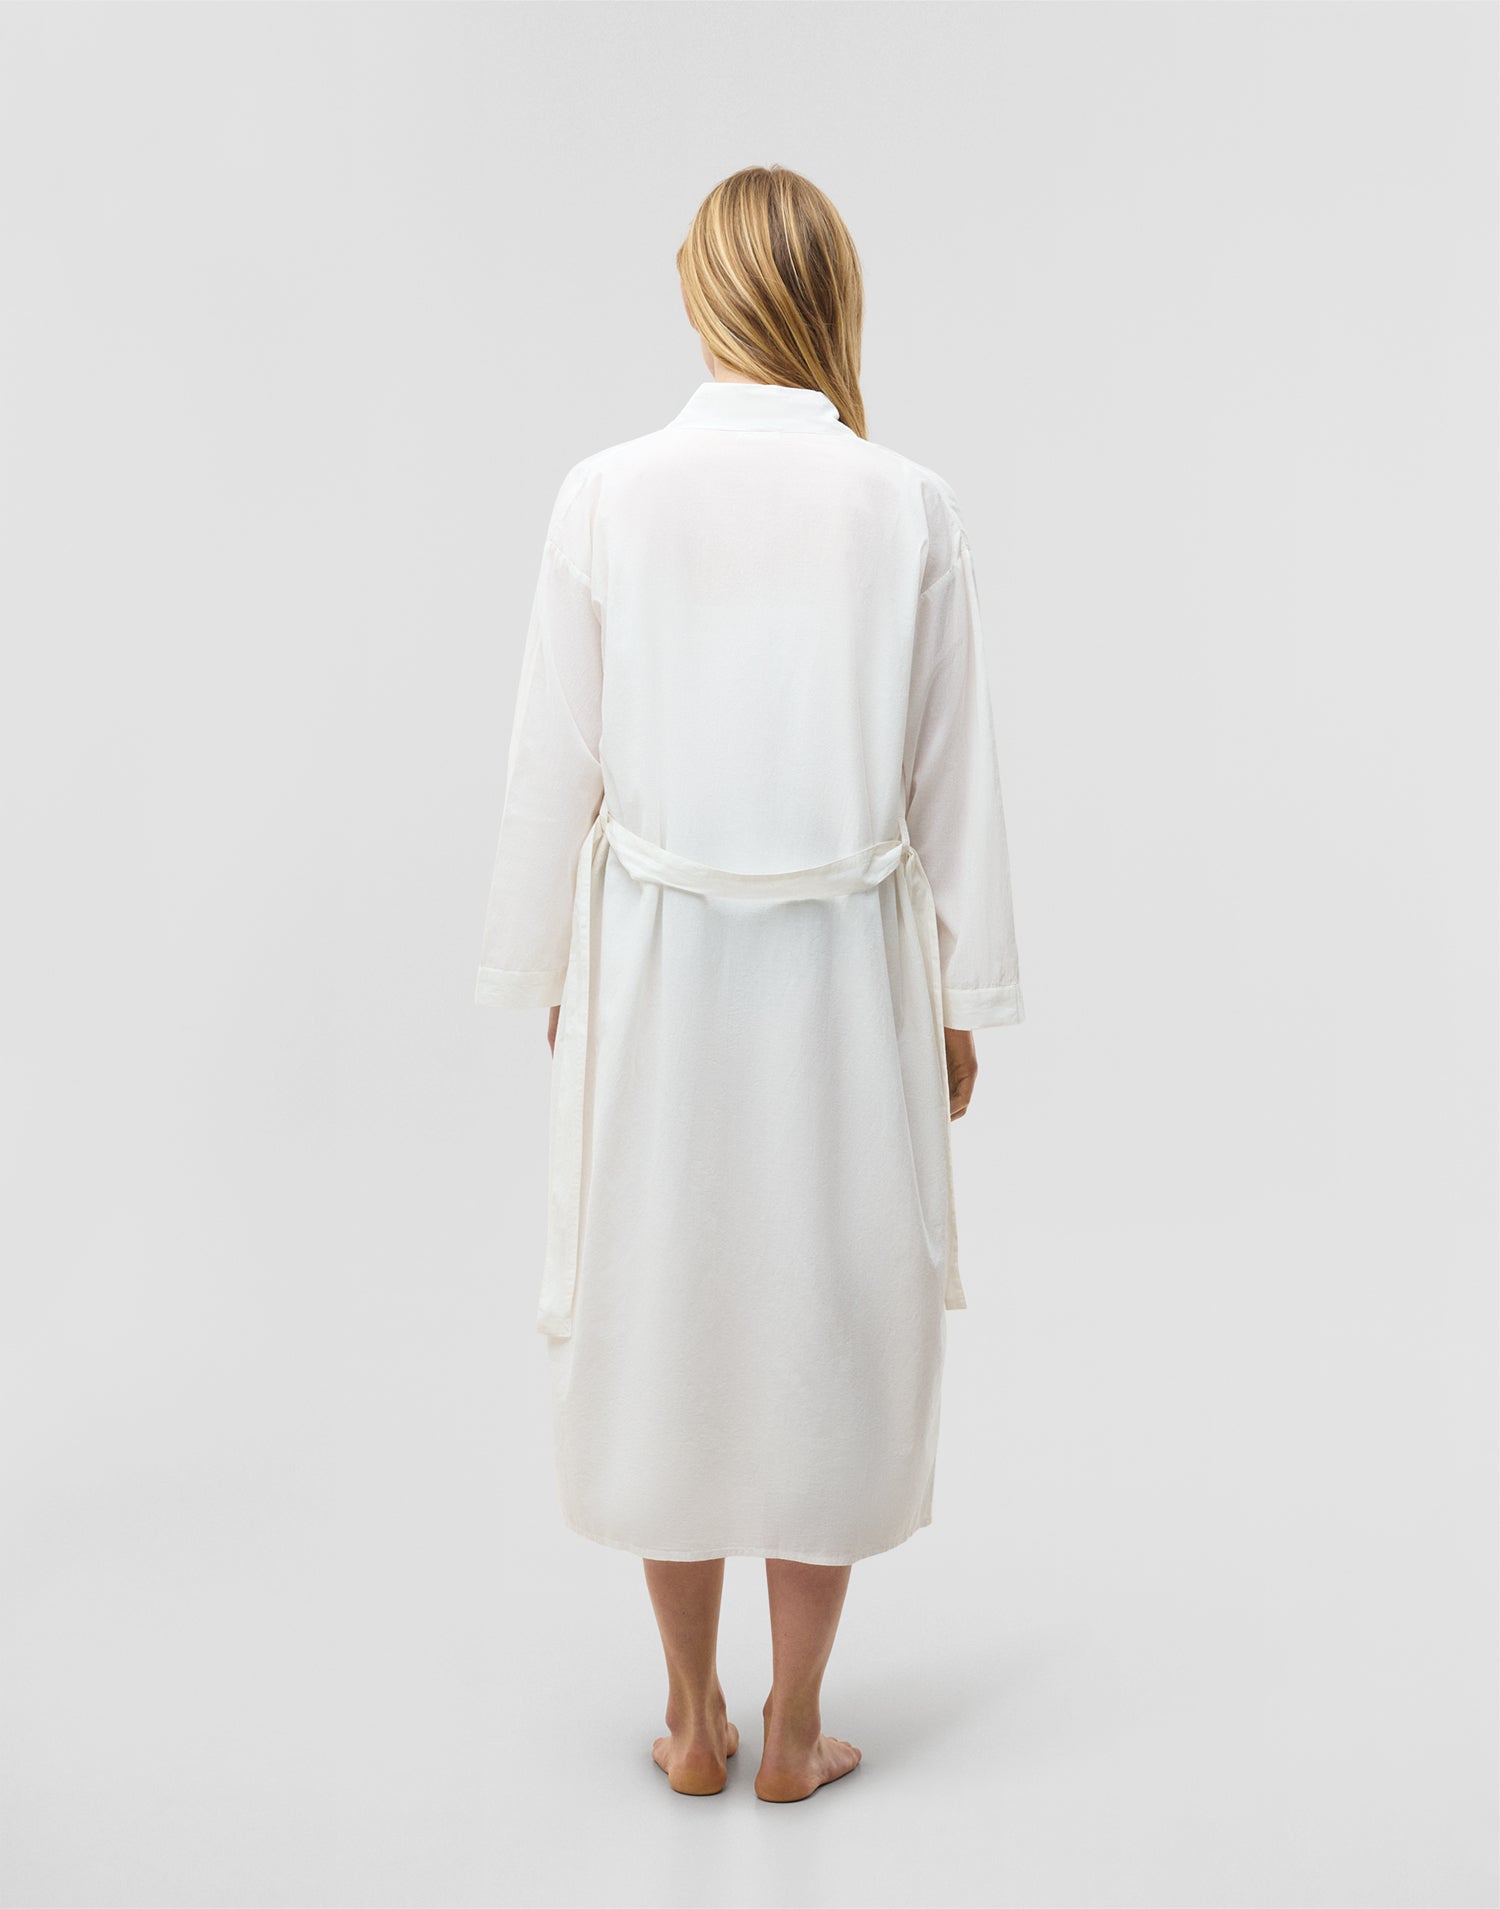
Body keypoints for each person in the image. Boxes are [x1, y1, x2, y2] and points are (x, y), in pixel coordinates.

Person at [475, 164, 1023, 1803]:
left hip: (658, 970)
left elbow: (553, 759)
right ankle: (793, 1726)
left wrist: (551, 962)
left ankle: (689, 1716)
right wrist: (957, 995)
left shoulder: (605, 495)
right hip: (846, 978)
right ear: (831, 292)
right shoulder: (905, 502)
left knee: (671, 1314)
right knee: (824, 1323)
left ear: (702, 289)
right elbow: (953, 778)